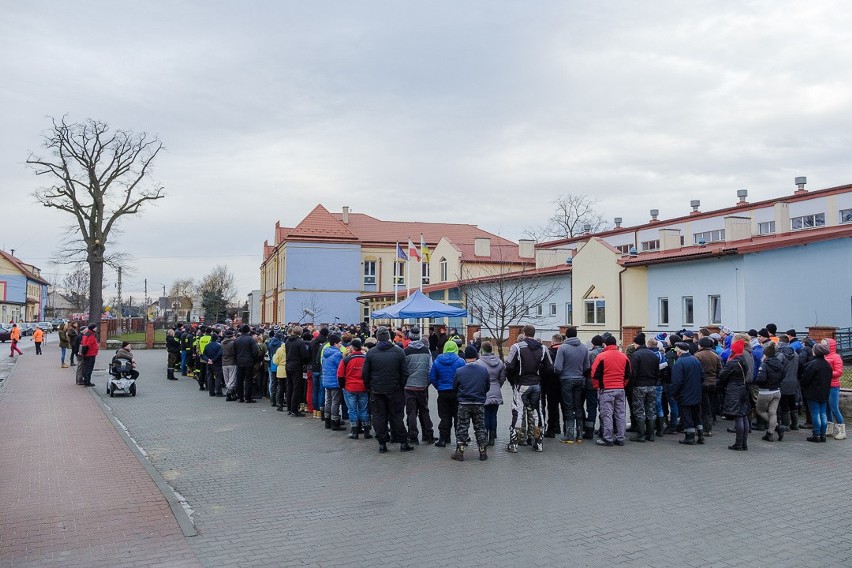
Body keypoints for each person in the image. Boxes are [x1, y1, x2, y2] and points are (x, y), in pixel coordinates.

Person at [362, 326, 412, 453]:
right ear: (389, 338)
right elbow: (405, 372)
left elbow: (365, 374)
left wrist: (370, 387)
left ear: (378, 338)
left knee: (379, 417)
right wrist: (400, 386)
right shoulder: (399, 351)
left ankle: (382, 443)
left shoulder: (371, 353)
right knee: (397, 416)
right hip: (394, 390)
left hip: (377, 390)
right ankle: (402, 442)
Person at [505, 324, 551, 453]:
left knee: (518, 412)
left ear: (523, 333)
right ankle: (538, 442)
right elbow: (550, 367)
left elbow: (508, 366)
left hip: (521, 384)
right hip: (536, 384)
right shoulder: (542, 348)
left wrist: (513, 380)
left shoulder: (517, 347)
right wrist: (539, 377)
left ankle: (513, 444)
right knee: (537, 413)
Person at [451, 346, 490, 462]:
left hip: (464, 403)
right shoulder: (483, 370)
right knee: (480, 427)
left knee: (462, 427)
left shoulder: (459, 371)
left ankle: (460, 452)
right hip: (479, 402)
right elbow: (487, 387)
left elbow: (454, 387)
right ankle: (483, 451)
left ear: (465, 357)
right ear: (476, 356)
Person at [591, 336, 630, 446]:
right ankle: (621, 437)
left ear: (605, 344)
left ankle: (607, 438)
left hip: (606, 389)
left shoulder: (601, 356)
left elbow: (594, 374)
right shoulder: (624, 356)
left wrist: (597, 387)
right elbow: (628, 374)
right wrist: (622, 385)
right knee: (620, 414)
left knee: (607, 414)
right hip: (620, 389)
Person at [553, 326, 590, 443]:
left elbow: (558, 367)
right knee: (578, 406)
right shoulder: (584, 348)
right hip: (580, 379)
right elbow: (587, 366)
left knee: (568, 407)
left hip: (566, 380)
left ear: (567, 335)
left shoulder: (563, 348)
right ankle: (579, 435)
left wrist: (561, 373)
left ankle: (569, 435)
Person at [429, 340, 466, 447]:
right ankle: (460, 439)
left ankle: (444, 439)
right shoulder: (460, 361)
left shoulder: (437, 361)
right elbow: (464, 377)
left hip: (443, 393)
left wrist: (439, 387)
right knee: (457, 417)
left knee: (444, 416)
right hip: (456, 393)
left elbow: (432, 377)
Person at [403, 326, 435, 445]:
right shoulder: (427, 351)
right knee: (424, 410)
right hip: (422, 386)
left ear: (410, 337)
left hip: (409, 386)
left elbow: (403, 369)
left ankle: (413, 436)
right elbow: (430, 368)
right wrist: (427, 382)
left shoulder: (405, 352)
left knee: (411, 412)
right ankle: (429, 434)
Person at [669, 342, 705, 445]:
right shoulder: (695, 360)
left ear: (679, 352)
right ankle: (700, 434)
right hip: (696, 392)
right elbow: (702, 376)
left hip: (685, 394)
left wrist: (673, 393)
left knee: (687, 416)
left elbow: (676, 381)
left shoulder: (679, 363)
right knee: (696, 414)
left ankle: (690, 437)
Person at [718, 339, 750, 451]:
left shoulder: (732, 362)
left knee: (739, 417)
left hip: (734, 389)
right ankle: (744, 443)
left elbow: (722, 375)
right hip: (743, 388)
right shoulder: (743, 360)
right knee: (744, 416)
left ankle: (739, 443)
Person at [628, 335, 661, 443]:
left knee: (639, 410)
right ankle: (651, 435)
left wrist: (632, 385)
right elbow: (657, 372)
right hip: (652, 386)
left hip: (639, 386)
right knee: (651, 410)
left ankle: (641, 435)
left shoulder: (635, 355)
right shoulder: (653, 355)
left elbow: (633, 374)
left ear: (637, 344)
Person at [338, 338, 371, 439]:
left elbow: (340, 375)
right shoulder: (366, 358)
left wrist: (343, 386)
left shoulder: (346, 360)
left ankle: (354, 432)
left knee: (352, 410)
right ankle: (366, 432)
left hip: (350, 387)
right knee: (364, 409)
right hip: (363, 387)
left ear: (353, 347)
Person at [476, 341, 506, 447]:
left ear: (482, 350)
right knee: (493, 415)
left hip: (484, 392)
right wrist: (497, 385)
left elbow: (478, 378)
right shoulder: (500, 362)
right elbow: (502, 378)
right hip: (496, 390)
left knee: (485, 415)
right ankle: (492, 438)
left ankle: (485, 436)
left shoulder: (479, 363)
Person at [801, 343, 832, 442]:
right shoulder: (827, 365)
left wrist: (804, 386)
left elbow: (805, 380)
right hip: (824, 392)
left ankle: (816, 434)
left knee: (815, 413)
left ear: (815, 352)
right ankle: (823, 434)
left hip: (813, 392)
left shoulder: (812, 365)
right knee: (823, 413)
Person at [754, 342, 784, 441]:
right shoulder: (780, 364)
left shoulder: (764, 365)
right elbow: (783, 376)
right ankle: (770, 433)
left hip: (765, 392)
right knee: (773, 413)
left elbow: (761, 379)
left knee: (760, 410)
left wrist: (757, 382)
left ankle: (777, 427)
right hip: (777, 391)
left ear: (765, 355)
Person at [694, 336, 722, 437]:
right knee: (709, 405)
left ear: (701, 345)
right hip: (712, 384)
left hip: (702, 384)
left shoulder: (697, 355)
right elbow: (720, 370)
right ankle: (708, 427)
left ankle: (703, 428)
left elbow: (695, 371)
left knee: (702, 407)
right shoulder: (715, 356)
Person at [822, 338, 846, 440]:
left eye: (824, 345)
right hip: (824, 385)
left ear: (829, 346)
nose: (823, 346)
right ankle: (830, 428)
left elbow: (839, 372)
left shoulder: (836, 357)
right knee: (827, 408)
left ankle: (842, 430)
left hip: (833, 386)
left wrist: (826, 374)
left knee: (834, 408)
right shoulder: (823, 356)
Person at [322, 334, 346, 430]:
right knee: (336, 402)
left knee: (328, 400)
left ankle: (327, 421)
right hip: (335, 380)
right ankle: (335, 422)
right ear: (335, 343)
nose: (341, 345)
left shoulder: (325, 352)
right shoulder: (337, 354)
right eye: (340, 343)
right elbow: (340, 367)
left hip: (326, 379)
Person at [284, 326, 310, 416]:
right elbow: (304, 355)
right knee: (296, 388)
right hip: (296, 366)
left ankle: (289, 408)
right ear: (300, 333)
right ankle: (295, 409)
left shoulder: (287, 341)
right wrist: (305, 362)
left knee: (289, 387)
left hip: (288, 365)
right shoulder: (300, 342)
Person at [541, 334, 563, 439]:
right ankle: (559, 427)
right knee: (562, 406)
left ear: (553, 342)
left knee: (552, 406)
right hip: (563, 382)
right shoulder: (564, 351)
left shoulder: (549, 353)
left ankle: (551, 429)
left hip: (550, 383)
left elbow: (545, 368)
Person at [234, 325, 259, 403]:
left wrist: (236, 360)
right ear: (248, 331)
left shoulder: (236, 340)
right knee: (248, 380)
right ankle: (248, 397)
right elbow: (255, 352)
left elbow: (234, 352)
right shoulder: (251, 340)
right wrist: (254, 361)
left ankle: (240, 397)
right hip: (249, 362)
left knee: (239, 380)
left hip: (239, 362)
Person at [203, 332, 224, 396]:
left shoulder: (207, 346)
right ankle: (218, 392)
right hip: (217, 363)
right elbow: (219, 354)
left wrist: (208, 360)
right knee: (218, 378)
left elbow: (203, 355)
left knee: (210, 378)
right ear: (217, 338)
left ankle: (211, 392)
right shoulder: (219, 345)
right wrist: (213, 360)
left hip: (209, 364)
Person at [221, 330, 239, 400]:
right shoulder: (233, 343)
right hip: (232, 362)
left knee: (227, 379)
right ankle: (228, 393)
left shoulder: (222, 343)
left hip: (224, 362)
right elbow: (235, 352)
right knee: (232, 379)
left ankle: (232, 395)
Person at [271, 340, 288, 411]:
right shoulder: (289, 349)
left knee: (280, 388)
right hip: (287, 369)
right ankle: (288, 404)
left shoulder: (279, 349)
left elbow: (275, 361)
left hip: (280, 369)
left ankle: (279, 404)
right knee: (288, 388)